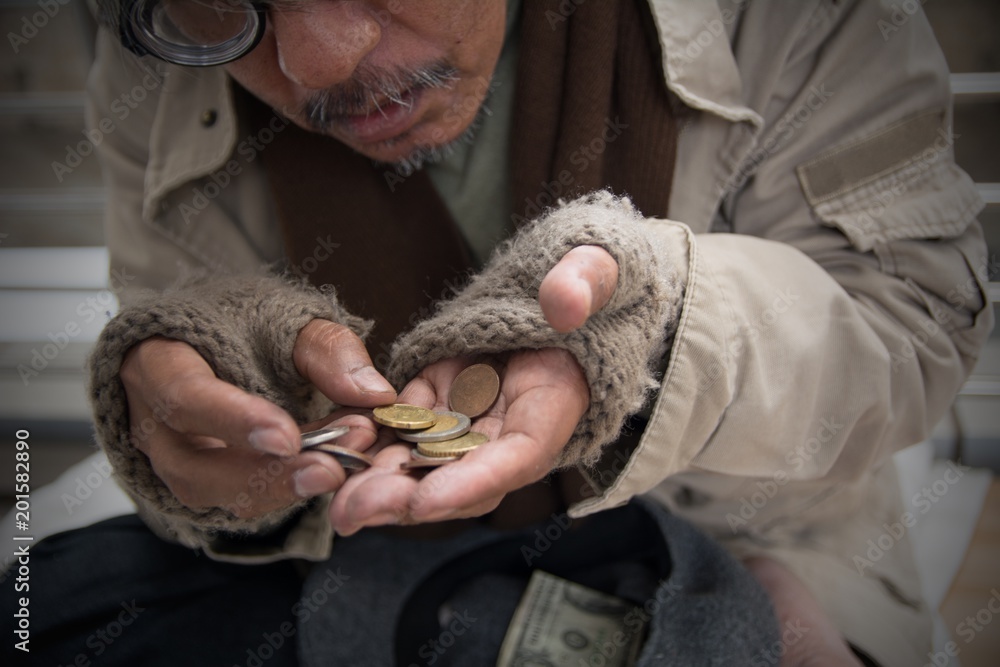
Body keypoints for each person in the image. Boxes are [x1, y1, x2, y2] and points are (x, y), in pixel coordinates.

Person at [23, 1, 994, 665]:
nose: (318, 59)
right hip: (351, 554)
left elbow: (913, 314)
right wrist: (206, 411)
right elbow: (174, 344)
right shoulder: (155, 61)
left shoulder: (801, 19)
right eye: (224, 2)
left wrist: (654, 331)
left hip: (769, 526)